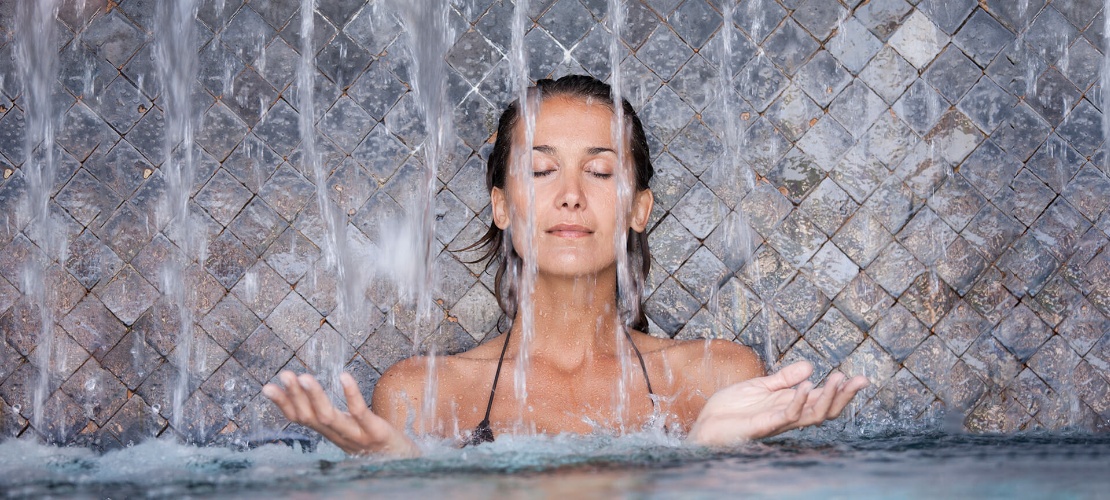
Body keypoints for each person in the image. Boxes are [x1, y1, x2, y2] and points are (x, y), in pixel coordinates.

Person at [262, 75, 869, 457]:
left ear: (638, 208)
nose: (572, 194)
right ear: (502, 205)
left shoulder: (718, 377)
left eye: (602, 171)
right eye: (541, 170)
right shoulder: (424, 392)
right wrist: (399, 477)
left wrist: (713, 452)